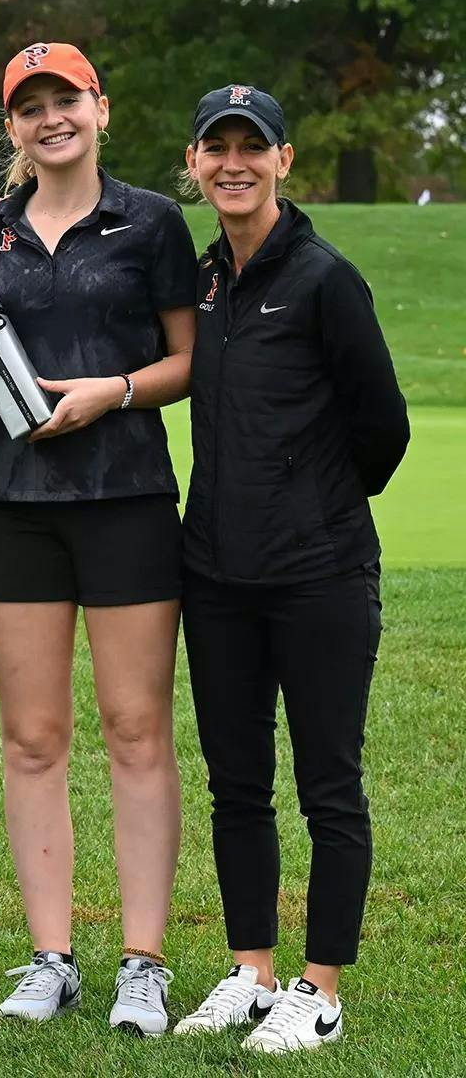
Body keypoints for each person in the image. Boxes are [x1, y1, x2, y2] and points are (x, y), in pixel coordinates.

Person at [0, 43, 196, 1034]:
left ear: (100, 107)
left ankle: (144, 962)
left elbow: (188, 360)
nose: (51, 117)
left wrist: (116, 391)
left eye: (67, 99)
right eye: (31, 106)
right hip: (16, 505)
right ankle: (50, 957)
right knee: (32, 737)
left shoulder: (153, 221)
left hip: (128, 497)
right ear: (14, 126)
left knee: (136, 731)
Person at [170, 85, 409, 1054]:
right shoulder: (203, 280)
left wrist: (313, 505)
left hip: (320, 574)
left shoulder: (324, 279)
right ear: (195, 163)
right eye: (217, 148)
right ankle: (252, 972)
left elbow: (383, 429)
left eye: (252, 147)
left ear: (284, 159)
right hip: (215, 575)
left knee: (328, 786)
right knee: (236, 784)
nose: (234, 164)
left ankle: (321, 989)